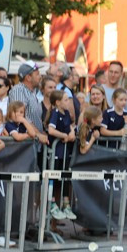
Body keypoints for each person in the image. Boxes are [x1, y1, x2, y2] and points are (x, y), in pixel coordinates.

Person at [45, 90, 77, 221]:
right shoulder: (54, 113)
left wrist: (71, 135)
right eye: (65, 100)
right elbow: (51, 130)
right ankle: (52, 203)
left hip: (65, 152)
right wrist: (63, 135)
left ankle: (66, 204)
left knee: (65, 178)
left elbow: (70, 128)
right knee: (54, 178)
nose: (68, 102)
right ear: (57, 102)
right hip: (56, 152)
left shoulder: (67, 113)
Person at [8, 62, 44, 134]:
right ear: (28, 77)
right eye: (37, 74)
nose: (40, 77)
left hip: (33, 143)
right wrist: (38, 135)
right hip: (23, 143)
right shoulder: (19, 90)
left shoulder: (33, 92)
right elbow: (20, 116)